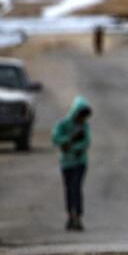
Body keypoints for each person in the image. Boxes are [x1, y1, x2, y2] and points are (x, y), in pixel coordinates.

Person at [50, 95, 92, 232]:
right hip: (67, 163)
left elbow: (86, 142)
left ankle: (78, 216)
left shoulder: (84, 126)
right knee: (69, 190)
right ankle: (70, 215)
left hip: (80, 163)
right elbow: (55, 138)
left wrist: (71, 146)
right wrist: (68, 140)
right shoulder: (64, 124)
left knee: (76, 188)